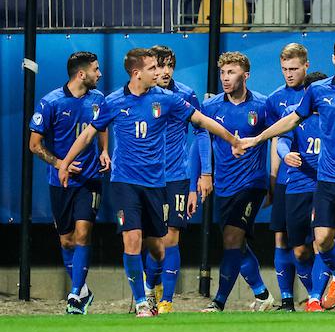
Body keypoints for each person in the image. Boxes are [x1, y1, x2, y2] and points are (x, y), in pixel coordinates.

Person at [58, 48, 241, 317]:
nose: (159, 73)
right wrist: (64, 163)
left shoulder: (167, 99)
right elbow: (87, 136)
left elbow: (202, 121)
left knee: (158, 247)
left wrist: (233, 140)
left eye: (159, 67)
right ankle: (142, 302)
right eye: (153, 68)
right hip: (124, 183)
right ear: (137, 73)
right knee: (132, 240)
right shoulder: (113, 101)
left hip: (156, 185)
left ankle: (153, 283)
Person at [244, 36, 335, 314]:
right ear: (333, 60)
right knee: (322, 239)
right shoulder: (318, 90)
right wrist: (259, 139)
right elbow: (292, 120)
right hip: (327, 177)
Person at [29, 51, 109, 315]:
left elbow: (102, 126)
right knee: (66, 240)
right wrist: (59, 163)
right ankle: (83, 292)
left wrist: (105, 150)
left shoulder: (98, 99)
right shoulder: (51, 102)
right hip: (60, 181)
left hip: (90, 178)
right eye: (96, 70)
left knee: (83, 233)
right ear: (81, 74)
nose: (100, 74)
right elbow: (34, 145)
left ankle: (74, 295)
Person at [198, 52, 275, 313]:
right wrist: (204, 175)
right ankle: (263, 295)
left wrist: (273, 181)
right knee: (237, 244)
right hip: (225, 185)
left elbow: (276, 138)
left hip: (252, 184)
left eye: (231, 72)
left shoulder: (263, 105)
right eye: (223, 73)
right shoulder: (211, 107)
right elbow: (201, 142)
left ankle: (218, 301)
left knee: (232, 238)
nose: (225, 78)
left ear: (246, 75)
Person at [144, 45, 201, 314]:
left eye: (169, 66)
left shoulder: (186, 95)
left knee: (171, 238)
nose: (165, 72)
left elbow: (202, 134)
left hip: (177, 177)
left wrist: (200, 179)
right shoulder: (137, 95)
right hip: (146, 178)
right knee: (152, 240)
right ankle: (150, 290)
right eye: (159, 66)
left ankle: (166, 300)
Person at [275, 69, 334, 312]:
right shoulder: (295, 115)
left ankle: (315, 298)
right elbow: (281, 140)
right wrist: (285, 154)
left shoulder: (334, 115)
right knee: (299, 250)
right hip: (297, 186)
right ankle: (314, 294)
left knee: (322, 241)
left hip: (325, 186)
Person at [263, 43, 315, 311]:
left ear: (306, 65)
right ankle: (286, 299)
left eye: (294, 68)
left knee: (317, 240)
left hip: (317, 181)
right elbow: (276, 139)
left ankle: (318, 294)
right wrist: (273, 179)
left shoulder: (319, 91)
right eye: (284, 69)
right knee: (281, 238)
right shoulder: (275, 99)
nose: (289, 74)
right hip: (287, 180)